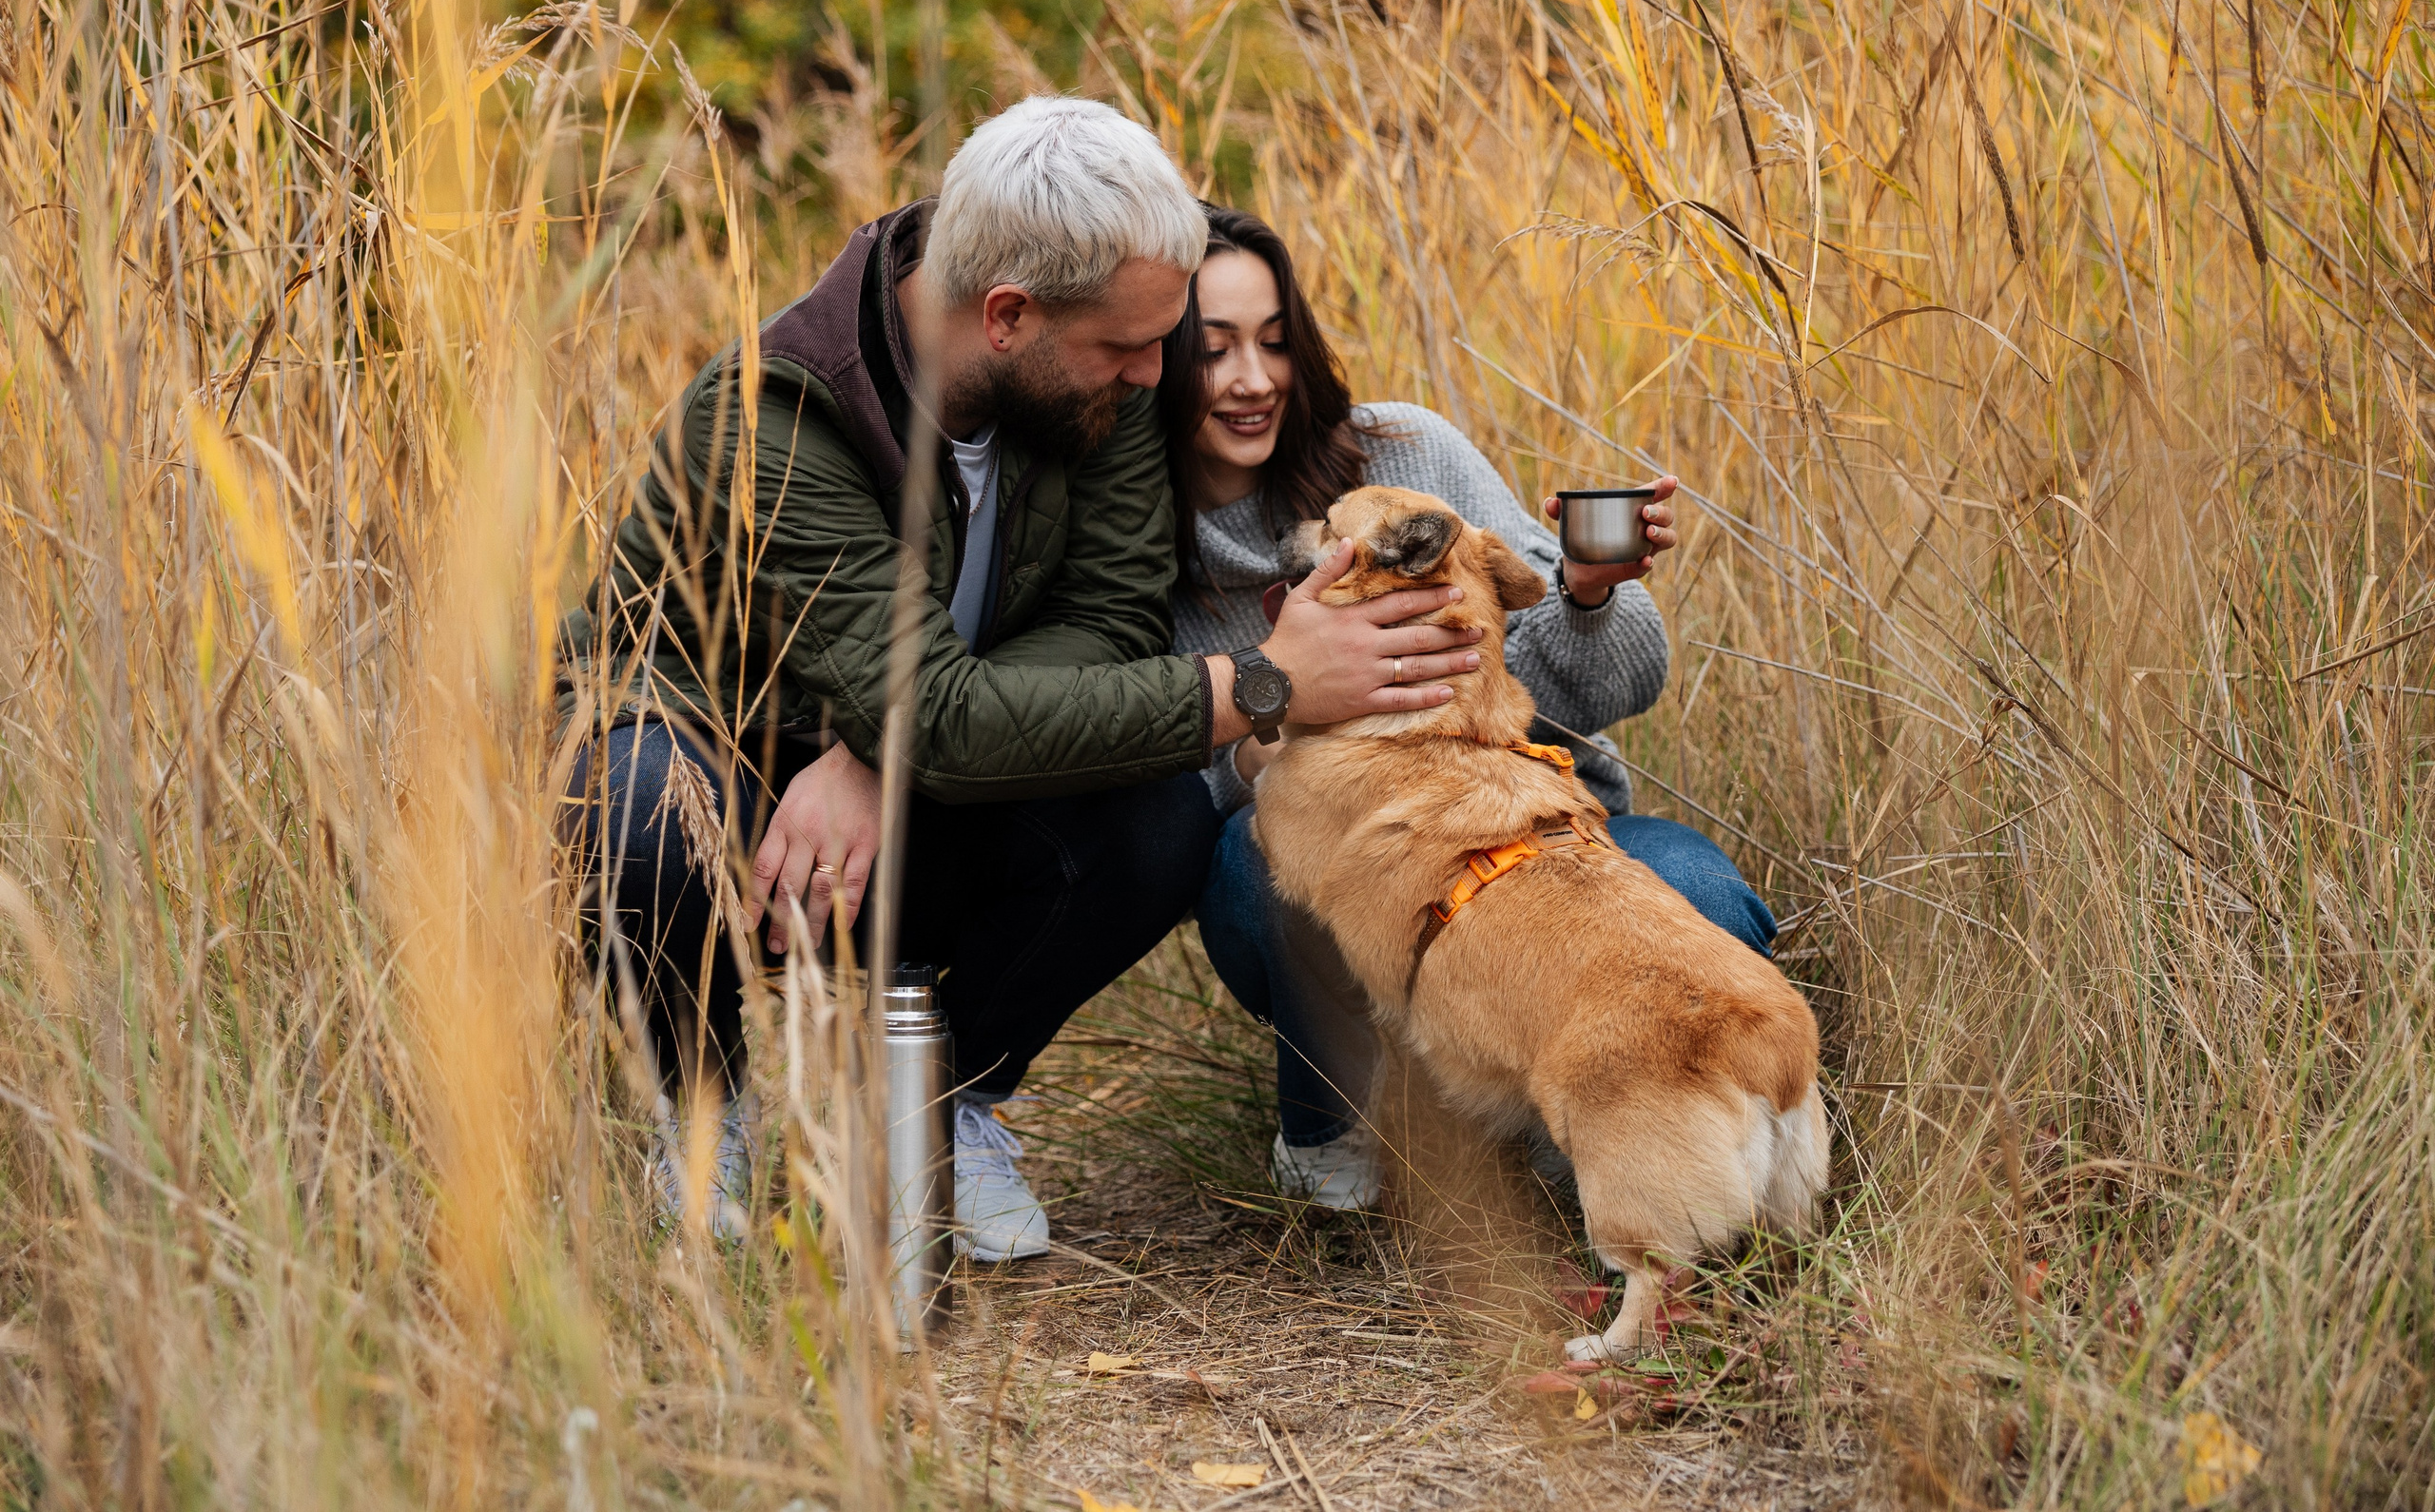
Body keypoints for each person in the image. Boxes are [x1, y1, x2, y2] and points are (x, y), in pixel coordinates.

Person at [559, 102, 1488, 1255]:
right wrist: (1262, 686)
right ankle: (707, 1111)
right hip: (733, 779)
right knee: (637, 799)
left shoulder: (1099, 377)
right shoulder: (772, 413)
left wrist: (877, 745)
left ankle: (944, 1097)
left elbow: (1105, 621)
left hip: (914, 767)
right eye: (1129, 347)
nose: (1160, 377)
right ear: (1006, 316)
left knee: (1161, 812)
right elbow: (940, 715)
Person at [1162, 204, 1780, 1209]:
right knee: (1252, 854)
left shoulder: (1410, 456)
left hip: (1532, 846)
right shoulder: (1124, 537)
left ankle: (1604, 1132)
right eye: (1211, 348)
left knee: (1698, 898)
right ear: (1150, 355)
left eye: (1275, 342)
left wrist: (1584, 593)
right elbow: (1156, 782)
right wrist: (1279, 721)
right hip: (1343, 877)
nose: (1251, 378)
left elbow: (1617, 686)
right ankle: (1339, 1123)